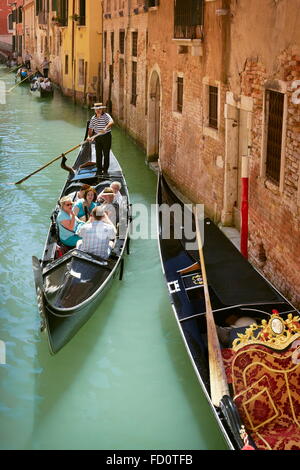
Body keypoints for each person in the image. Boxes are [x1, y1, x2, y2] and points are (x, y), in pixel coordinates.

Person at [87, 102, 114, 175]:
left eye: (99, 109)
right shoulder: (93, 118)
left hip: (106, 137)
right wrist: (90, 137)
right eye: (96, 109)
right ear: (94, 110)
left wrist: (105, 127)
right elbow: (90, 129)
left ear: (102, 109)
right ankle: (99, 169)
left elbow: (111, 122)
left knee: (106, 153)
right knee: (98, 153)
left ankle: (105, 170)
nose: (98, 110)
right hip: (97, 137)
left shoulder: (106, 116)